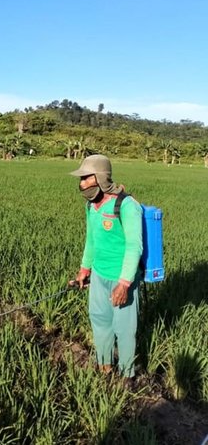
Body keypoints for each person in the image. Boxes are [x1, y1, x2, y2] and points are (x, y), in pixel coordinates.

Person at [70, 154, 143, 382]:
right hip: (99, 275)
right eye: (81, 179)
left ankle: (127, 376)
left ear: (100, 178)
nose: (82, 183)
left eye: (86, 178)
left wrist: (124, 283)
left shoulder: (127, 206)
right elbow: (91, 240)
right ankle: (104, 367)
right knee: (99, 320)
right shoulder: (91, 205)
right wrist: (85, 269)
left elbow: (134, 246)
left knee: (124, 329)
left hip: (122, 279)